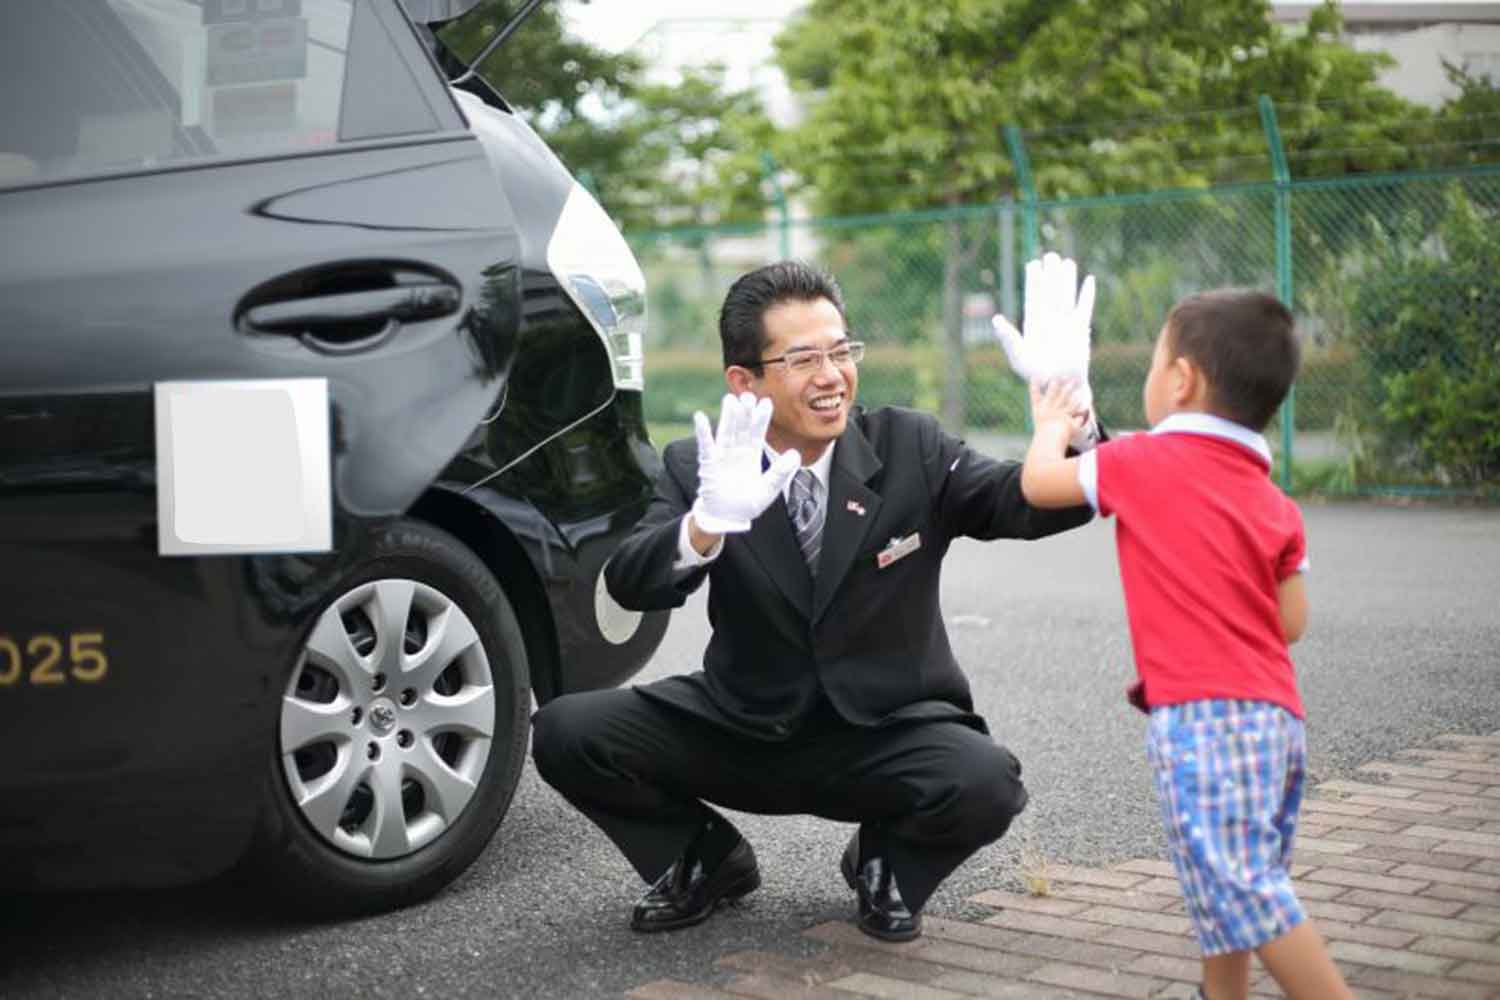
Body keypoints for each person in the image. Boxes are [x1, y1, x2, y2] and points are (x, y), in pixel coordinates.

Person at [531, 259, 1099, 941]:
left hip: (882, 733)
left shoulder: (909, 446)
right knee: (566, 732)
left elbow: (1027, 504)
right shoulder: (703, 466)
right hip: (744, 724)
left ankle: (887, 860)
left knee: (984, 782)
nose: (832, 375)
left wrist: (1074, 421)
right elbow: (629, 582)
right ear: (744, 380)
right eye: (803, 358)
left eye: (841, 350)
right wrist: (702, 526)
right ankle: (703, 860)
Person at [1018, 286, 1353, 1000]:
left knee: (1244, 888)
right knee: (1229, 884)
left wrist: (1050, 420)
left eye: (1152, 362)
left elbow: (1040, 483)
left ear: (1180, 381)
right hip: (1277, 721)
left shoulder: (1140, 463)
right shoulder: (1273, 501)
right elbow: (1290, 621)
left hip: (1203, 719)